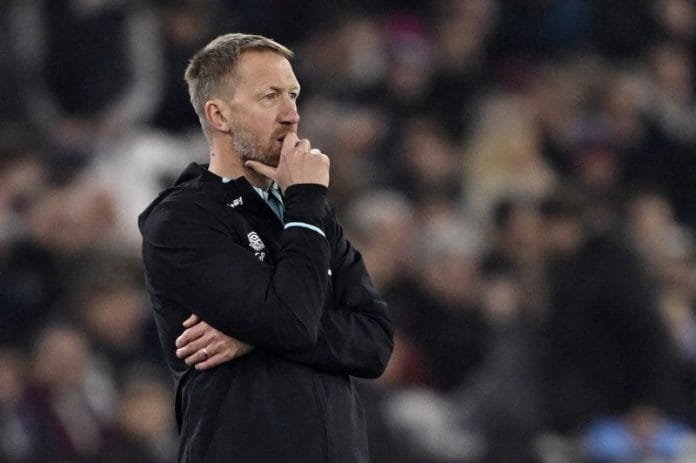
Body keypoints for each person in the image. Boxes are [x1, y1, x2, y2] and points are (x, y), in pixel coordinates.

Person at [138, 33, 394, 462]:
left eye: (293, 95)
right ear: (219, 115)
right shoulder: (183, 221)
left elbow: (376, 343)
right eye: (270, 96)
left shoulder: (310, 211)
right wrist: (306, 202)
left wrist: (255, 337)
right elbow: (291, 322)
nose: (292, 115)